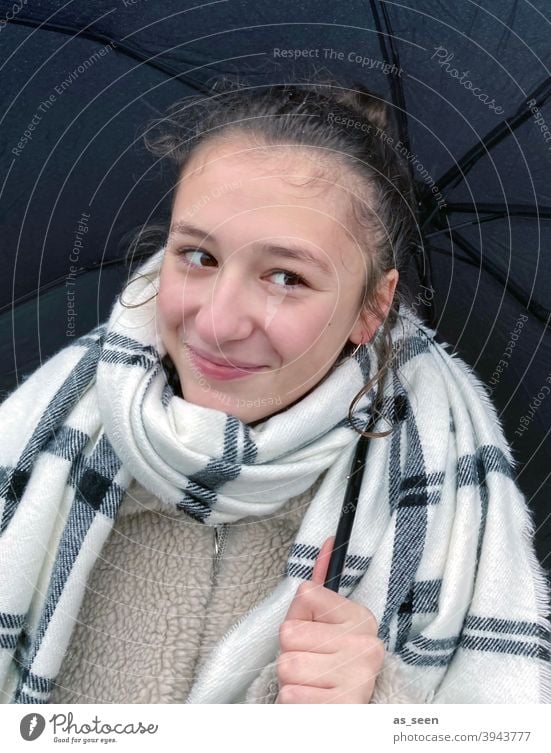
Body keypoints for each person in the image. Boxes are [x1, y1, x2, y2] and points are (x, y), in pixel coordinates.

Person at [0, 76, 549, 705]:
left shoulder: (438, 507)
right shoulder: (41, 443)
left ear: (373, 306)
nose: (216, 323)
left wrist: (366, 720)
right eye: (199, 257)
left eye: (286, 276)